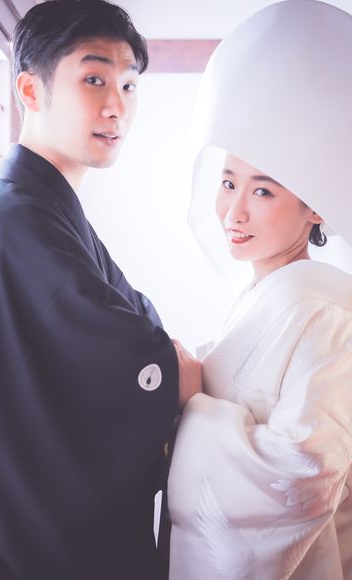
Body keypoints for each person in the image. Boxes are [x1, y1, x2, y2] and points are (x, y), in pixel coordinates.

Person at [0, 2, 202, 579]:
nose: (117, 106)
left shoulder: (42, 210)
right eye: (94, 79)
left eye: (129, 85)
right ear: (30, 90)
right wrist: (166, 368)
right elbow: (148, 358)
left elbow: (136, 326)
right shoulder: (17, 218)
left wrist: (158, 353)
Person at [168, 1, 352, 579]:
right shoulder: (271, 293)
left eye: (263, 191)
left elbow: (303, 474)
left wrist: (191, 404)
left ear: (315, 205)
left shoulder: (323, 310)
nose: (234, 212)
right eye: (228, 183)